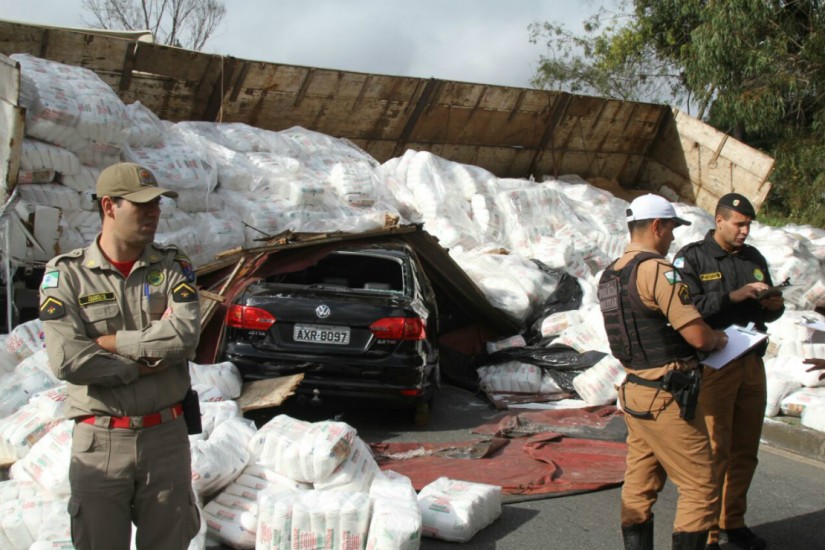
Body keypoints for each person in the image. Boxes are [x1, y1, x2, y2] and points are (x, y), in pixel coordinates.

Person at [39, 162, 201, 550]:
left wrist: (109, 343)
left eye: (157, 204)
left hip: (165, 438)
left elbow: (184, 338)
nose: (153, 213)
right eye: (142, 204)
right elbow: (68, 361)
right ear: (109, 206)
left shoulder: (172, 266)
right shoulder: (67, 275)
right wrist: (143, 364)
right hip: (101, 441)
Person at [599, 194, 728, 550]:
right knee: (700, 486)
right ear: (657, 226)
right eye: (671, 228)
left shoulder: (610, 275)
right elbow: (698, 336)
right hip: (667, 396)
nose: (673, 237)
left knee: (640, 483)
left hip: (635, 391)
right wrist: (719, 339)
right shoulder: (658, 270)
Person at [674, 193, 785, 550]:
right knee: (714, 450)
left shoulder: (754, 259)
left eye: (748, 225)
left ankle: (732, 521)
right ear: (719, 221)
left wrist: (774, 306)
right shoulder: (693, 258)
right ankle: (706, 530)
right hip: (714, 364)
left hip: (750, 362)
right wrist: (732, 297)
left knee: (745, 450)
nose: (745, 231)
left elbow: (768, 313)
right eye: (739, 224)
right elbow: (686, 308)